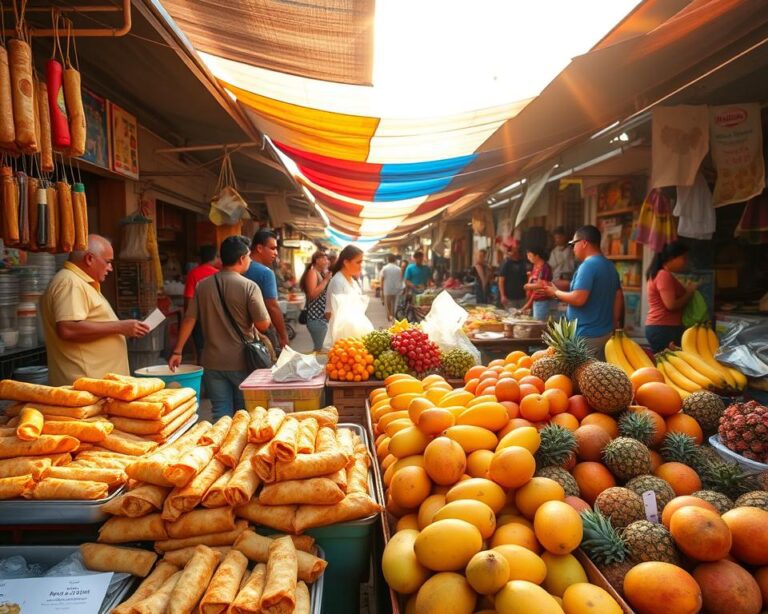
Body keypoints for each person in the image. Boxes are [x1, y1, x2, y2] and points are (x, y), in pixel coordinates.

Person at [170, 235, 271, 419]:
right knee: (243, 413)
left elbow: (189, 319)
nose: (249, 260)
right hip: (241, 361)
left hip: (212, 362)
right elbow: (263, 325)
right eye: (248, 256)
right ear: (241, 259)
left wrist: (177, 351)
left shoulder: (203, 286)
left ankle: (219, 447)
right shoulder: (249, 286)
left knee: (220, 412)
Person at [41, 234, 150, 386]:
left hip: (96, 386)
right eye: (108, 262)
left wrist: (123, 330)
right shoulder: (70, 282)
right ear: (89, 259)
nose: (110, 268)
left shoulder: (81, 283)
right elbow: (67, 329)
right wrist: (120, 327)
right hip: (86, 386)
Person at [542, 225, 624, 360]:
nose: (573, 248)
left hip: (586, 336)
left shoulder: (587, 266)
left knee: (582, 378)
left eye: (574, 244)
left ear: (584, 243)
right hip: (605, 334)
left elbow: (579, 299)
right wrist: (614, 324)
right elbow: (618, 296)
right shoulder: (609, 265)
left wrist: (555, 292)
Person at [645, 241, 699, 352]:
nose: (685, 262)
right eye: (683, 258)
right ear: (671, 258)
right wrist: (689, 292)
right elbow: (671, 305)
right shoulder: (663, 275)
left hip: (663, 327)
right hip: (664, 328)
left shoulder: (660, 274)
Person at [245, 230, 289, 354]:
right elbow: (272, 306)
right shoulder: (265, 272)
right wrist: (283, 335)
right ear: (259, 248)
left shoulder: (238, 269)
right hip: (261, 332)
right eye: (272, 248)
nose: (276, 253)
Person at [184, 245, 219, 356]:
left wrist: (187, 319)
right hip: (216, 318)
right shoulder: (218, 274)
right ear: (214, 257)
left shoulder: (193, 273)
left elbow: (189, 299)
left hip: (198, 318)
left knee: (201, 349)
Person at [299, 251, 331, 352]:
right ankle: (313, 367)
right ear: (317, 260)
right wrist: (325, 280)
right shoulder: (312, 273)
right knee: (320, 350)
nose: (327, 261)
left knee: (321, 350)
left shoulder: (319, 273)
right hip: (316, 318)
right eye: (325, 259)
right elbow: (312, 295)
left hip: (321, 319)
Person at [325, 245, 364, 326]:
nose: (361, 266)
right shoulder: (338, 282)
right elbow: (329, 314)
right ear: (346, 262)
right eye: (358, 262)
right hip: (344, 334)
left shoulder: (352, 281)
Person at [523, 246, 555, 320]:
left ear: (537, 256)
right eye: (527, 256)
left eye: (530, 256)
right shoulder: (535, 266)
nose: (528, 258)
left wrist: (528, 286)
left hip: (542, 301)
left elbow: (541, 285)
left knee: (539, 325)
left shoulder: (545, 268)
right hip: (534, 301)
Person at [497, 243, 528, 309]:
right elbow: (501, 280)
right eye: (513, 251)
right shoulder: (506, 263)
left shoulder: (523, 263)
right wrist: (502, 295)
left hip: (522, 297)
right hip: (509, 298)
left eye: (517, 251)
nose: (515, 252)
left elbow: (527, 279)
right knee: (511, 317)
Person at [379, 254, 403, 322]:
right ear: (395, 260)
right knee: (394, 304)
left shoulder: (385, 268)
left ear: (388, 260)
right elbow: (401, 279)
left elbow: (382, 279)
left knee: (388, 304)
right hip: (396, 289)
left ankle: (389, 316)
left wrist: (381, 288)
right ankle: (393, 317)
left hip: (387, 289)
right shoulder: (398, 269)